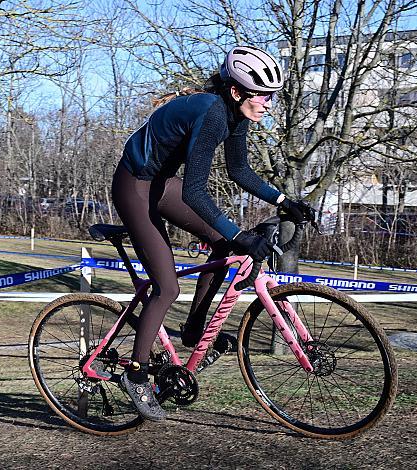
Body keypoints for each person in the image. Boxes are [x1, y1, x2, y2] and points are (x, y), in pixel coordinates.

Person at [112, 46, 310, 421]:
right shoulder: (213, 114)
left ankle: (193, 332)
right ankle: (135, 374)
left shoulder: (236, 115)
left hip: (162, 183)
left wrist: (285, 200)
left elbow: (239, 170)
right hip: (134, 186)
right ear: (237, 92)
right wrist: (239, 234)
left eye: (273, 97)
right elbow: (195, 192)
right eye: (264, 96)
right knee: (167, 287)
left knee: (222, 246)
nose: (269, 104)